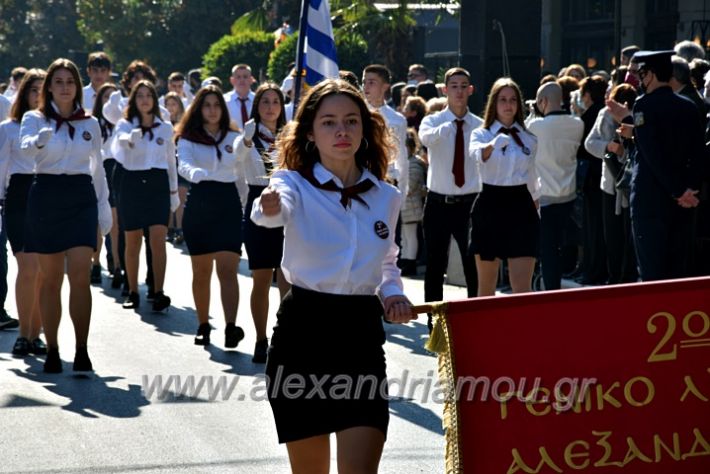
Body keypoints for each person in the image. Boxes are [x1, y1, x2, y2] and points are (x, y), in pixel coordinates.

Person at [250, 78, 415, 473]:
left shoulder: (386, 196)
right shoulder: (290, 183)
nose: (341, 131)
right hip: (303, 335)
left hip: (360, 338)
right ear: (310, 131)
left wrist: (392, 293)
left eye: (351, 121)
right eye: (328, 122)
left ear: (364, 128)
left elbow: (388, 262)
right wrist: (268, 207)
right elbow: (272, 211)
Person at [19, 58, 112, 372]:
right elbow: (26, 150)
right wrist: (39, 140)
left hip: (80, 197)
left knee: (81, 276)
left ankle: (82, 349)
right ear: (48, 87)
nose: (64, 87)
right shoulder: (34, 118)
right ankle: (53, 349)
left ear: (77, 87)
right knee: (49, 279)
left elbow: (98, 169)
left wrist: (103, 209)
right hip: (46, 196)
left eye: (69, 81)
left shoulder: (90, 123)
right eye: (57, 82)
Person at [607, 50, 704, 280]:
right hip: (683, 202)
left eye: (641, 73)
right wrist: (689, 189)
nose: (639, 79)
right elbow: (698, 153)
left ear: (650, 75)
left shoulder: (644, 106)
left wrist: (677, 190)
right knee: (676, 271)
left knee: (652, 273)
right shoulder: (688, 106)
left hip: (651, 200)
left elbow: (653, 155)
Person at [175, 85, 245, 348]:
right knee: (201, 271)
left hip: (227, 203)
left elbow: (241, 166)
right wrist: (195, 173)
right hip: (200, 201)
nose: (213, 110)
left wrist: (246, 144)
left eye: (217, 105)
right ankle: (203, 324)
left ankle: (230, 327)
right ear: (199, 109)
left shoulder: (233, 137)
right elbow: (184, 163)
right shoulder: (188, 137)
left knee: (228, 270)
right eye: (207, 105)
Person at [418, 67, 481, 328]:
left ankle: (475, 317)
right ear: (445, 90)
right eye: (453, 85)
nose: (458, 90)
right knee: (435, 264)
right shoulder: (433, 121)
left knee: (472, 264)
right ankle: (435, 321)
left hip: (470, 203)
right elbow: (425, 138)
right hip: (438, 202)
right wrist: (446, 129)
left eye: (463, 85)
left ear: (470, 90)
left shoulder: (479, 124)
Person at [469, 78, 540, 296]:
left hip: (521, 206)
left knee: (522, 288)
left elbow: (532, 174)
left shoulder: (529, 138)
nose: (508, 105)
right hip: (491, 204)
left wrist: (537, 202)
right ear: (494, 103)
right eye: (502, 100)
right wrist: (492, 145)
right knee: (487, 288)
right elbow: (476, 155)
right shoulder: (481, 134)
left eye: (512, 100)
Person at [234, 83, 290, 362]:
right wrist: (245, 140)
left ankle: (286, 336)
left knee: (287, 276)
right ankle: (260, 339)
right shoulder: (248, 135)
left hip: (286, 203)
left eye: (276, 102)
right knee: (261, 276)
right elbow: (236, 162)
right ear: (257, 106)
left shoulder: (288, 135)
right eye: (265, 102)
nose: (270, 107)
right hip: (257, 200)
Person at [112, 80, 178, 310]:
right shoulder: (124, 124)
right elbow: (116, 148)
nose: (144, 99)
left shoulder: (165, 127)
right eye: (139, 95)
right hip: (132, 183)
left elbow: (170, 161)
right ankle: (132, 291)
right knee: (132, 241)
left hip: (157, 183)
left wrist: (173, 192)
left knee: (158, 239)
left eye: (148, 95)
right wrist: (128, 140)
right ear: (133, 99)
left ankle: (158, 291)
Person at [0, 68, 46, 354]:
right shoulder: (8, 128)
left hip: (49, 195)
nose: (39, 95)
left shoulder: (56, 126)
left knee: (43, 271)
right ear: (24, 93)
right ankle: (24, 333)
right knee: (27, 267)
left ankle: (36, 333)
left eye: (44, 90)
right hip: (18, 196)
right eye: (33, 89)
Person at [526, 82, 584, 291]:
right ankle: (557, 282)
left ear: (543, 101)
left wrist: (532, 114)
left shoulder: (535, 126)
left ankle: (551, 289)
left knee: (547, 249)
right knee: (562, 245)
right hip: (568, 194)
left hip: (545, 197)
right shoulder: (577, 124)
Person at [584, 83, 639, 284]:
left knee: (629, 236)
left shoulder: (637, 115)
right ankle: (615, 277)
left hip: (632, 182)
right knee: (612, 236)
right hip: (610, 182)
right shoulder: (604, 114)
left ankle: (627, 276)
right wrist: (609, 146)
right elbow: (590, 143)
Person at [576, 75, 609, 285]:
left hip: (592, 178)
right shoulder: (602, 111)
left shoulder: (589, 116)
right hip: (602, 177)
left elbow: (582, 148)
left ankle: (593, 269)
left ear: (587, 95)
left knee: (593, 227)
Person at [91, 82, 123, 288]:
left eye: (114, 98)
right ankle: (95, 262)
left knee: (115, 218)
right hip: (99, 169)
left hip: (118, 169)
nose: (110, 102)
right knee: (97, 218)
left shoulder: (125, 123)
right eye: (106, 97)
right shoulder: (93, 123)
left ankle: (117, 262)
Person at [362, 64, 408, 195]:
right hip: (360, 179)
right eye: (364, 82)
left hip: (387, 179)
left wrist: (402, 191)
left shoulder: (397, 119)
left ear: (385, 86)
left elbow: (402, 158)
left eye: (371, 82)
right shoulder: (356, 114)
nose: (366, 87)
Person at [399, 128, 427, 276]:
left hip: (411, 206)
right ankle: (405, 262)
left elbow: (410, 187)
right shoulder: (406, 163)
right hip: (405, 207)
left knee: (410, 236)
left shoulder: (414, 164)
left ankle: (410, 264)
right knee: (405, 237)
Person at [163, 92, 188, 245]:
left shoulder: (184, 123)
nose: (171, 108)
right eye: (168, 104)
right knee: (168, 195)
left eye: (174, 104)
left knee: (181, 194)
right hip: (166, 163)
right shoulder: (161, 122)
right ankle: (170, 227)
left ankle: (180, 228)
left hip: (181, 161)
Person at [223, 64, 256, 130]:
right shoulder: (224, 100)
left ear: (251, 79)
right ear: (232, 80)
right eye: (238, 77)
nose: (242, 80)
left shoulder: (258, 99)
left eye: (245, 76)